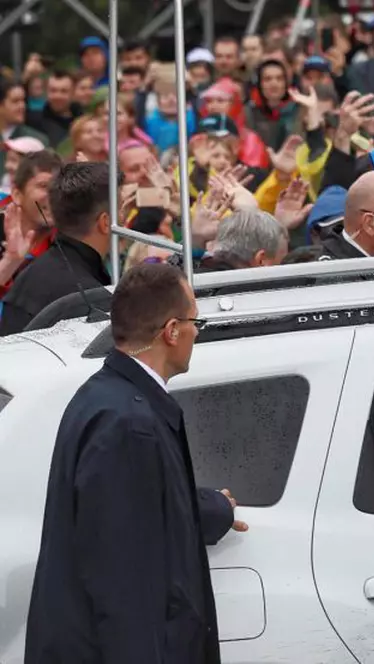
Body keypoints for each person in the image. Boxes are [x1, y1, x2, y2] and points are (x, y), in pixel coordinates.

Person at [24, 263, 246, 663]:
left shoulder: (110, 397)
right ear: (172, 330)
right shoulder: (127, 423)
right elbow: (122, 582)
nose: (198, 332)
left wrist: (211, 508)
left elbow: (141, 507)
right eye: (195, 321)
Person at [0, 162, 113, 336]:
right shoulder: (83, 293)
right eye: (42, 186)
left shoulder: (55, 256)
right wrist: (10, 261)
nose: (48, 196)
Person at [0, 150, 63, 299]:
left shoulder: (67, 246)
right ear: (17, 194)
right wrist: (11, 261)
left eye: (58, 188)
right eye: (43, 186)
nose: (53, 195)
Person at [198, 208, 289, 272]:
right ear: (261, 260)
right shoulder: (264, 293)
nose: (286, 268)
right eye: (282, 262)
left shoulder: (193, 278)